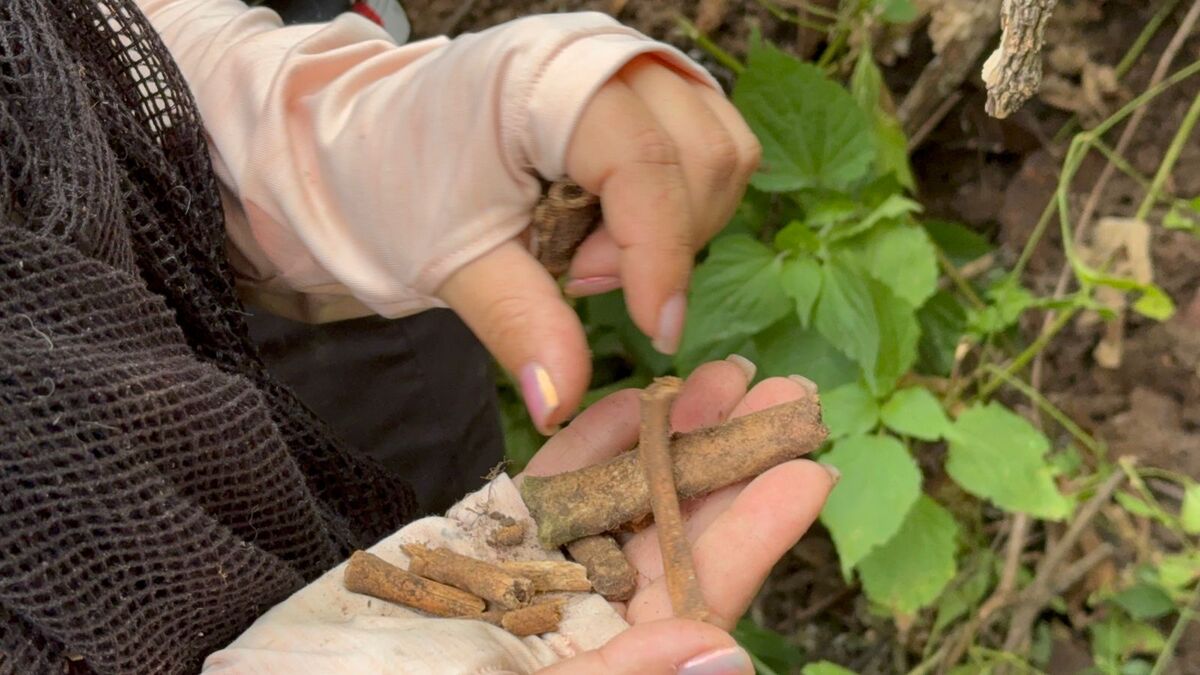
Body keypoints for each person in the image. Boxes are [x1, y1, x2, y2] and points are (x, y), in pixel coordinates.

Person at [0, 0, 835, 673]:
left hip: (245, 340)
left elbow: (77, 47)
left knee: (451, 482)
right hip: (198, 475)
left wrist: (325, 134)